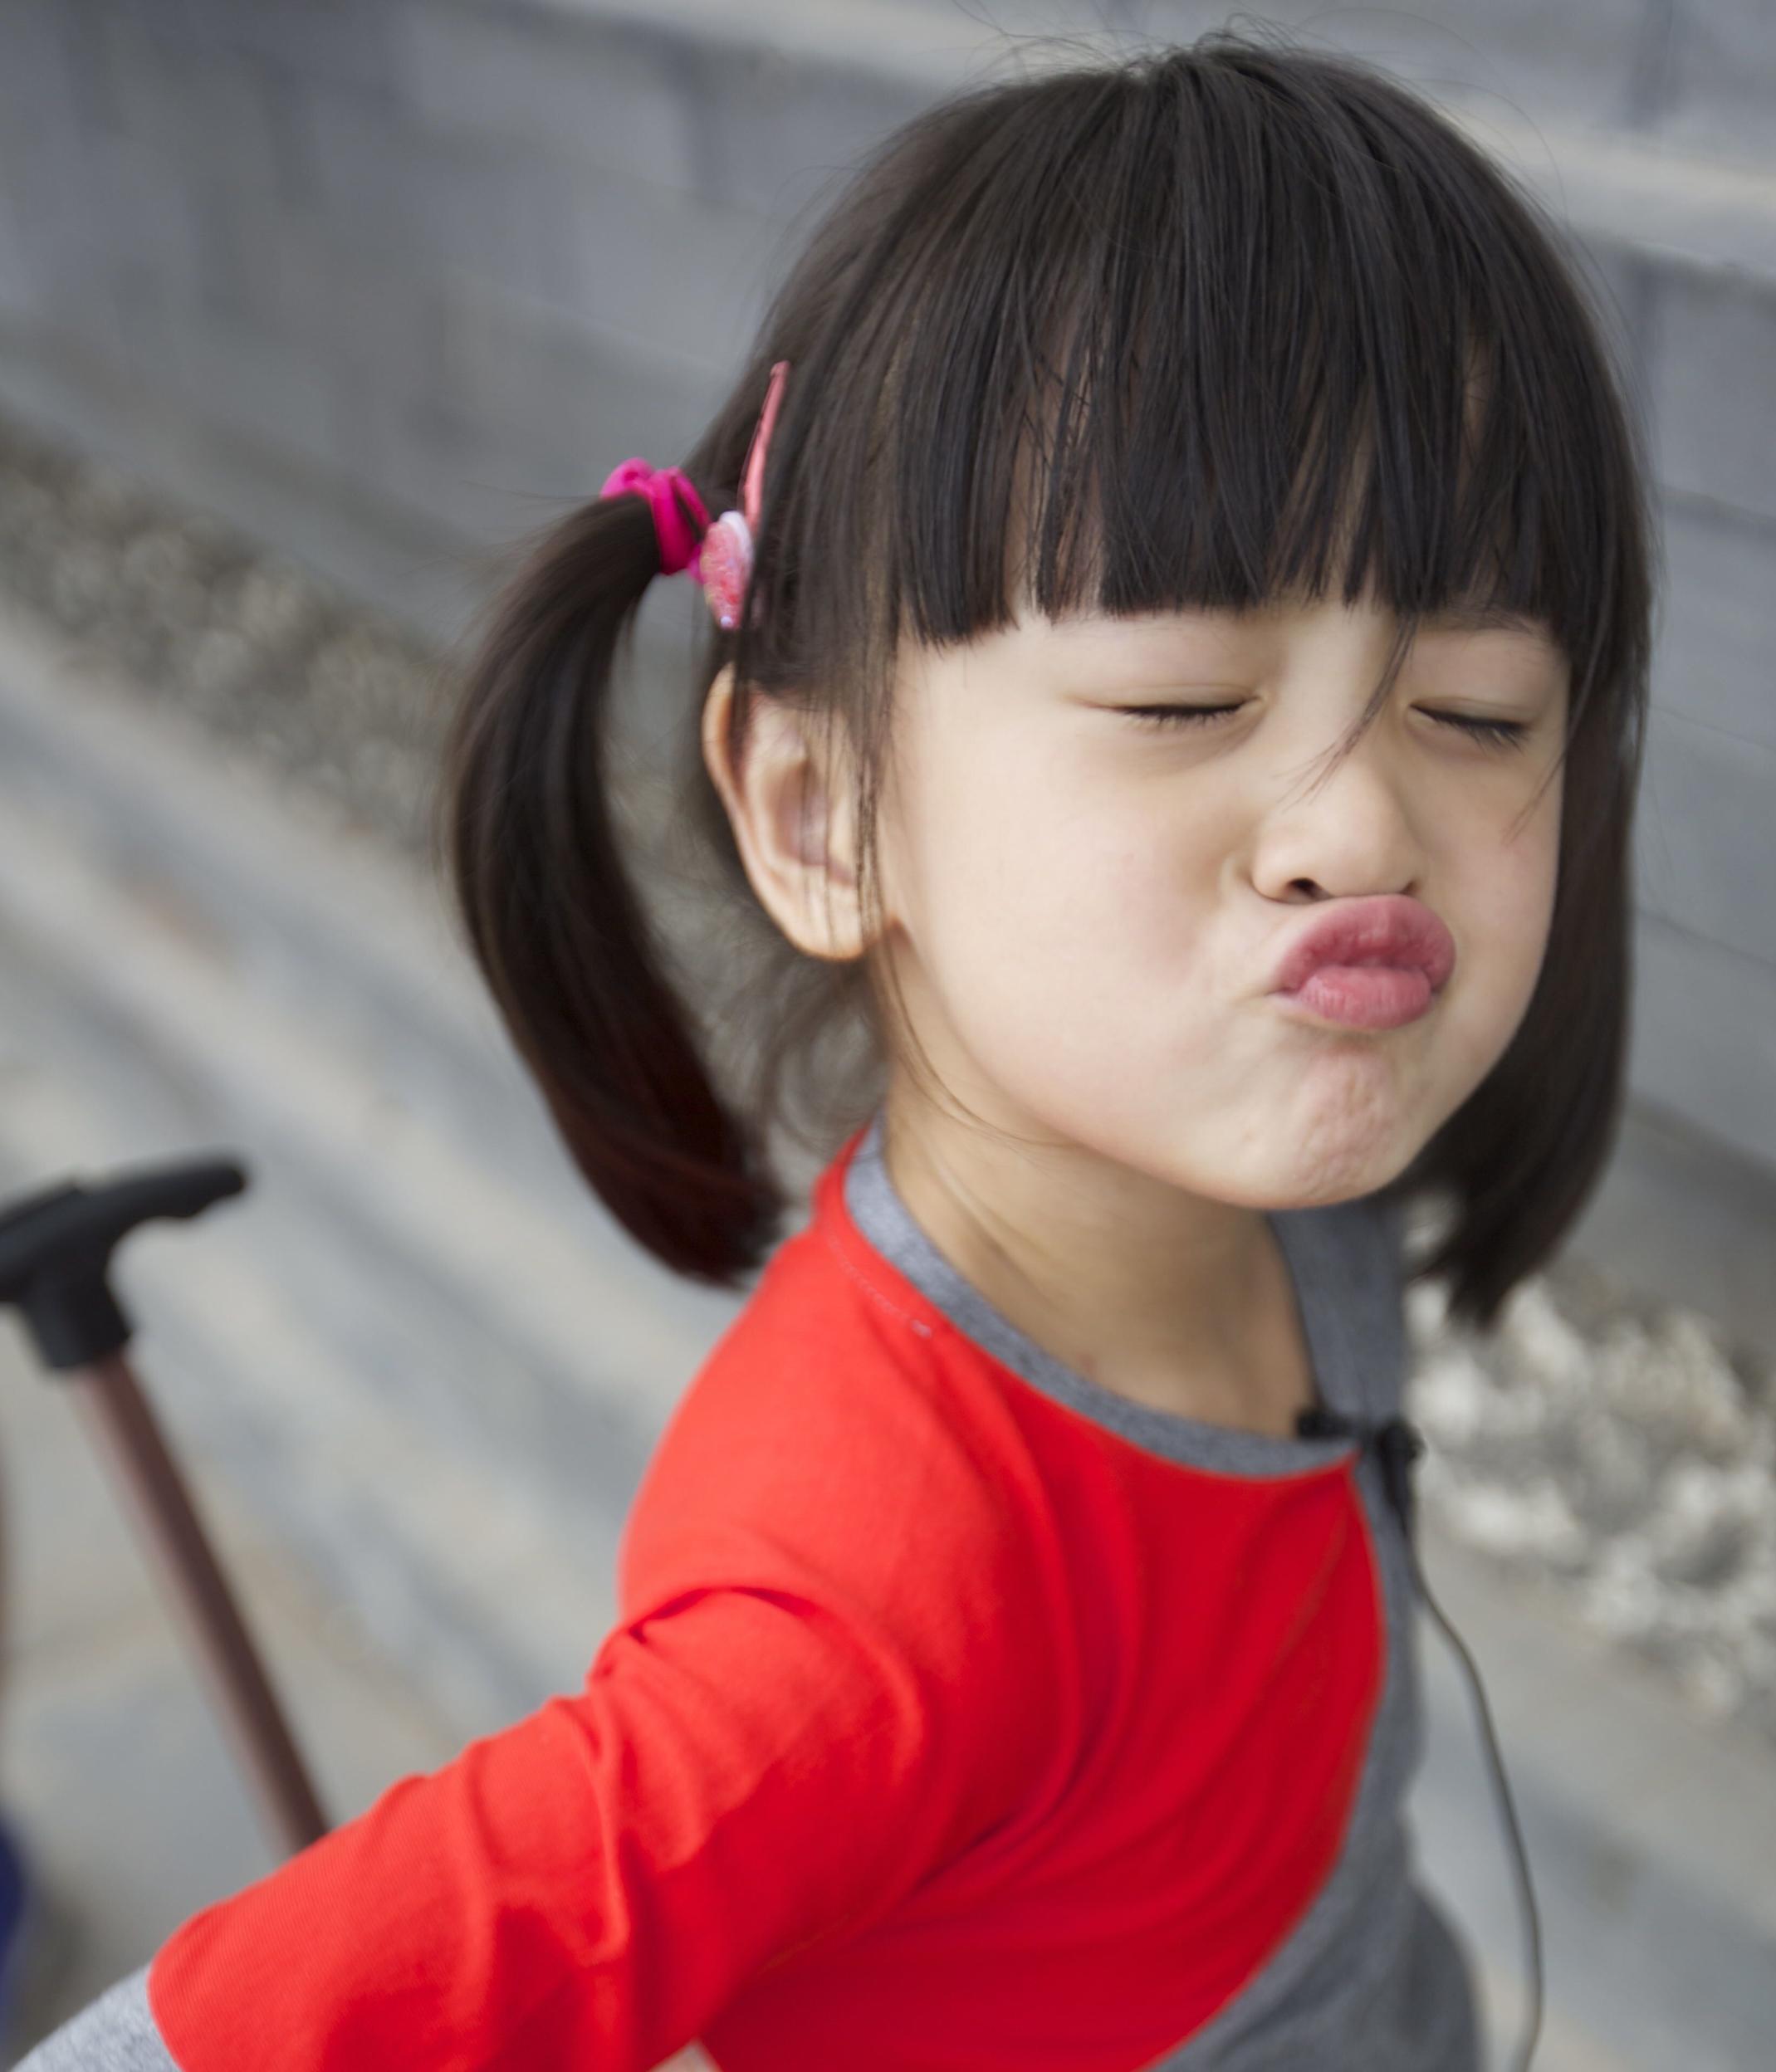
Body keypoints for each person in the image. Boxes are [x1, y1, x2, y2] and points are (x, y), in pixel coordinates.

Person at [20, 25, 1651, 2070]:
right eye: (1182, 702)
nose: (1364, 826)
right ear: (821, 813)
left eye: (1480, 713)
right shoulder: (876, 1595)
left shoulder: (1291, 1191)